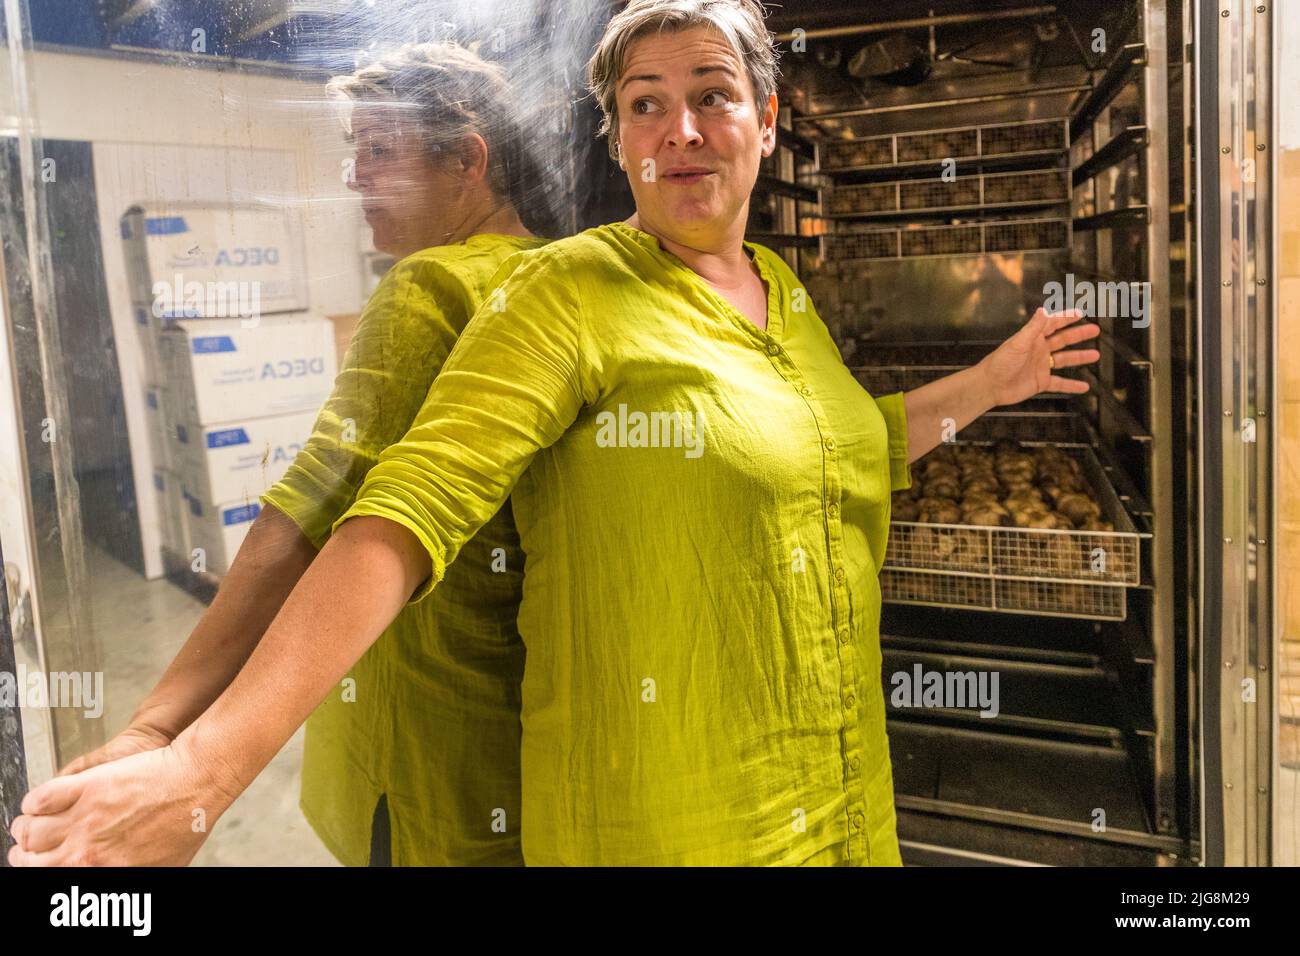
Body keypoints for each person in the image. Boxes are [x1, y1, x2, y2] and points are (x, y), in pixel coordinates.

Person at [9, 0, 1099, 866]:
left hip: (833, 791)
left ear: (767, 120)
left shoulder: (783, 291)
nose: (679, 130)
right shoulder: (563, 289)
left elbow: (849, 443)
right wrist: (198, 761)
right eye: (643, 103)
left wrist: (991, 383)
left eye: (712, 96)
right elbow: (394, 512)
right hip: (673, 814)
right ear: (615, 135)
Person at [12, 42, 549, 866]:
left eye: (378, 149)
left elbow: (300, 519)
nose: (352, 176)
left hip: (426, 741)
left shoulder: (429, 286)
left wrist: (162, 728)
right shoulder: (555, 281)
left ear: (468, 160)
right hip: (519, 728)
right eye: (352, 151)